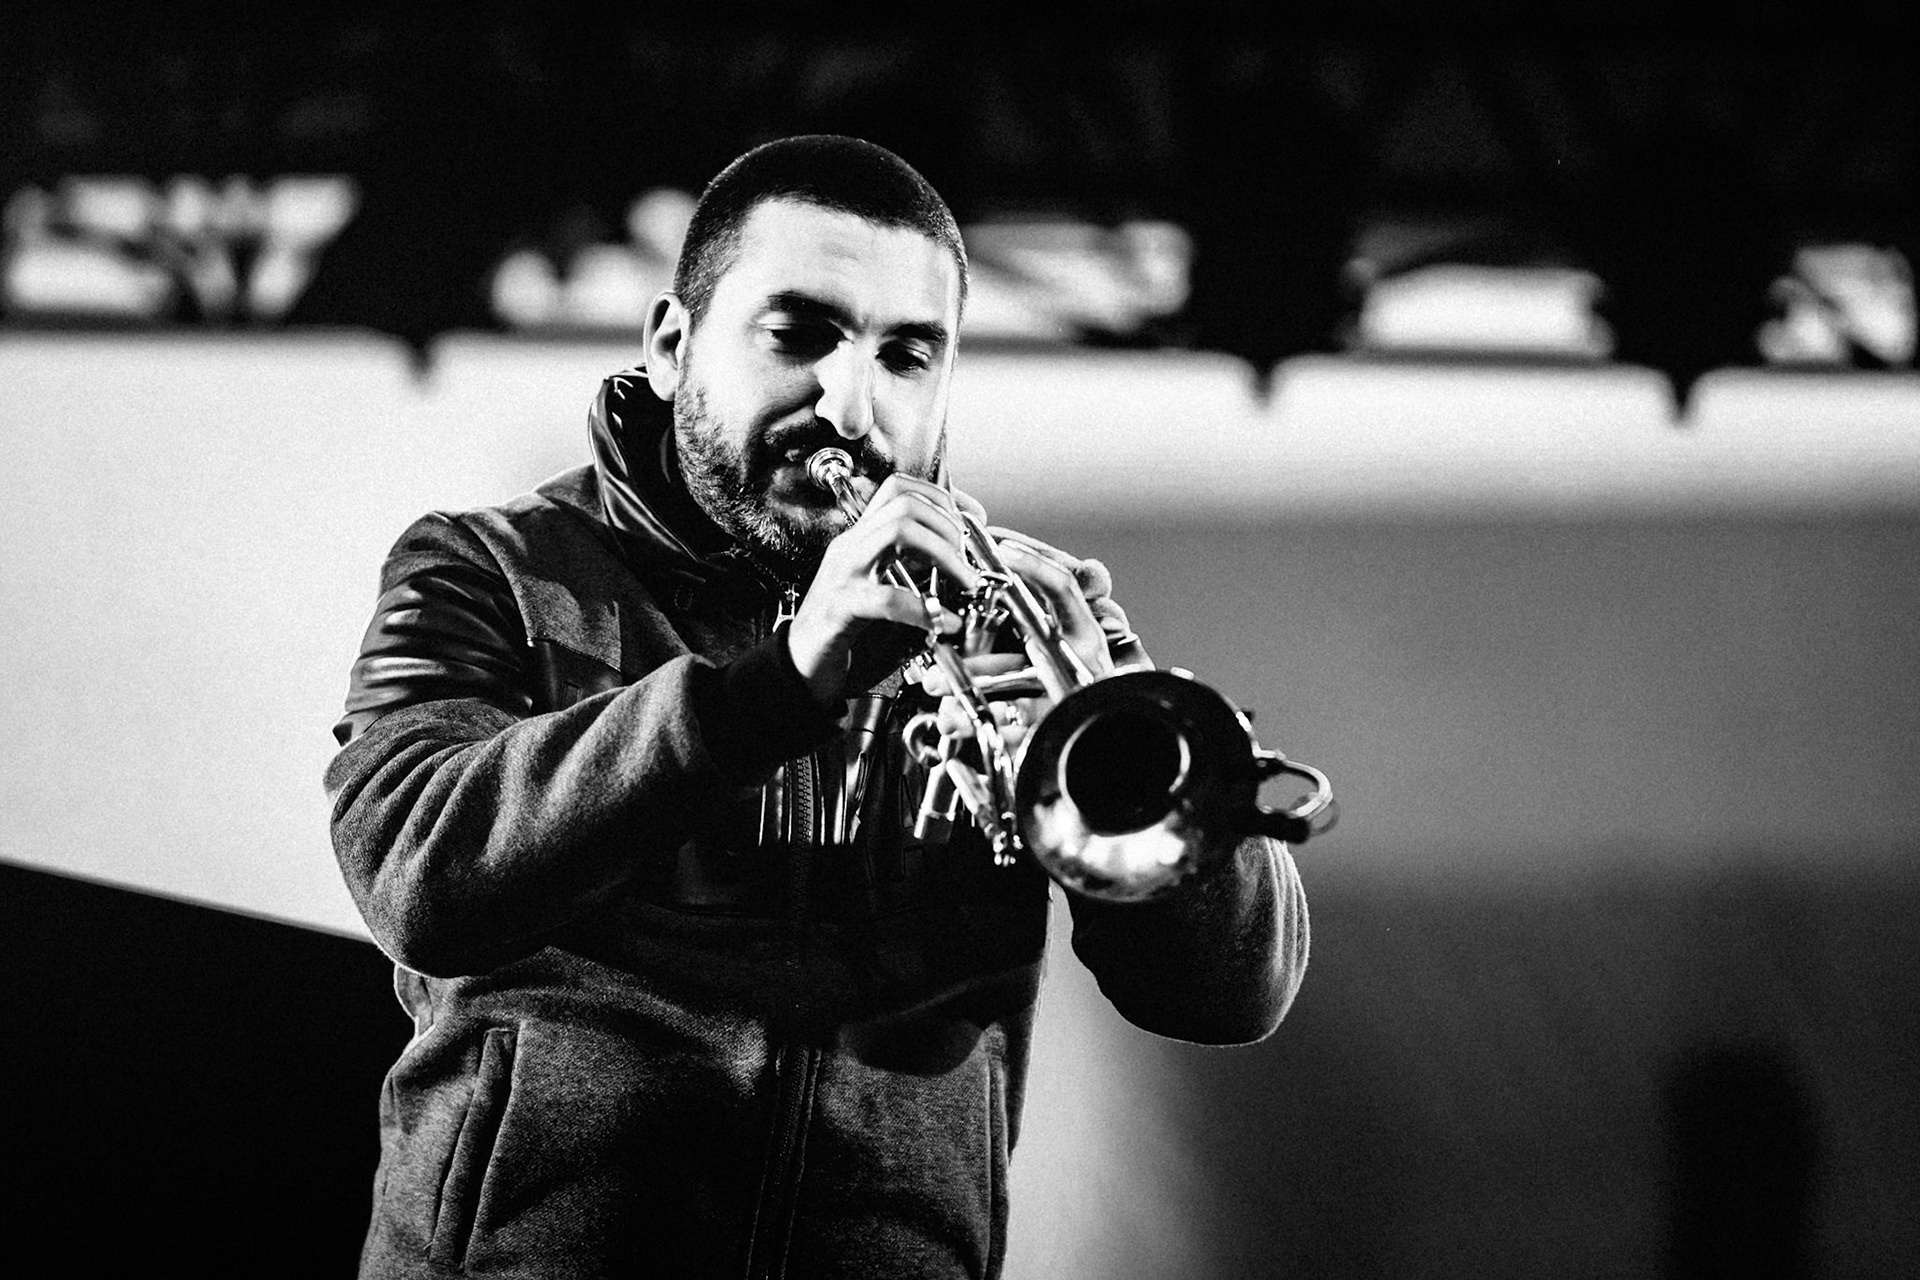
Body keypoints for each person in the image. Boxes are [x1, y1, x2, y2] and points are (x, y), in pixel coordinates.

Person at [326, 134, 1309, 1280]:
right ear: (671, 347)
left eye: (908, 355)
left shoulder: (1014, 608)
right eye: (800, 335)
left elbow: (1237, 994)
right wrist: (779, 683)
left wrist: (1107, 737)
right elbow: (415, 872)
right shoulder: (488, 567)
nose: (851, 401)